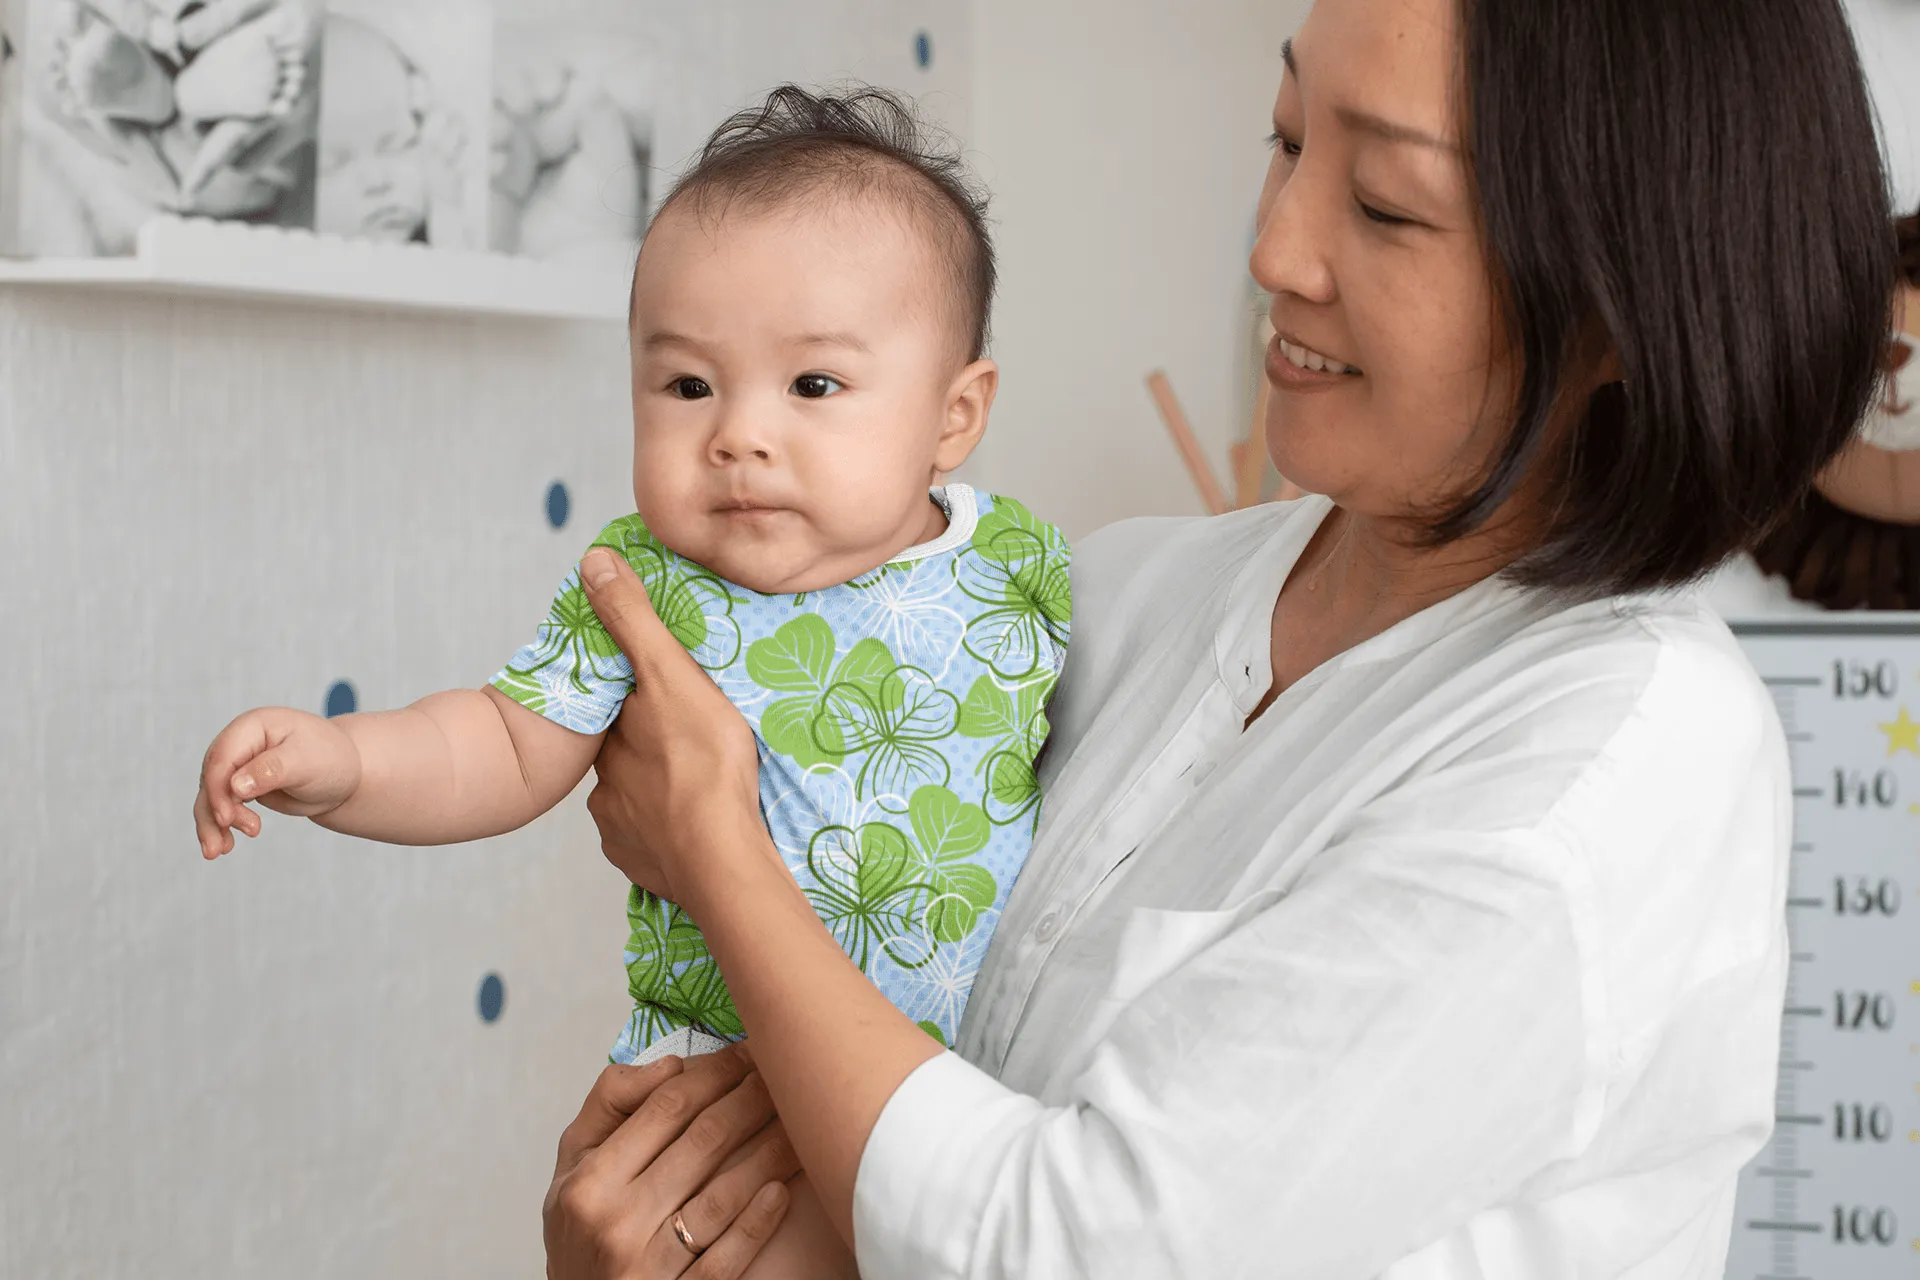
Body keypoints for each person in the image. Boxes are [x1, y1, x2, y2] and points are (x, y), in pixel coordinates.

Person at [537, 0, 1896, 1275]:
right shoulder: (1124, 594)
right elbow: (912, 1096)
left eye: (1383, 204)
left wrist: (715, 846)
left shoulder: (1610, 771)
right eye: (1287, 139)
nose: (1275, 250)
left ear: (1621, 303)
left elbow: (1057, 1246)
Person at [192, 85, 1069, 1093]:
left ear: (954, 416)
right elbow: (503, 742)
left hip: (969, 1081)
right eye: (689, 385)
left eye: (813, 385)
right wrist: (348, 760)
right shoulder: (650, 584)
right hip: (715, 1077)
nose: (738, 432)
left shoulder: (1019, 563)